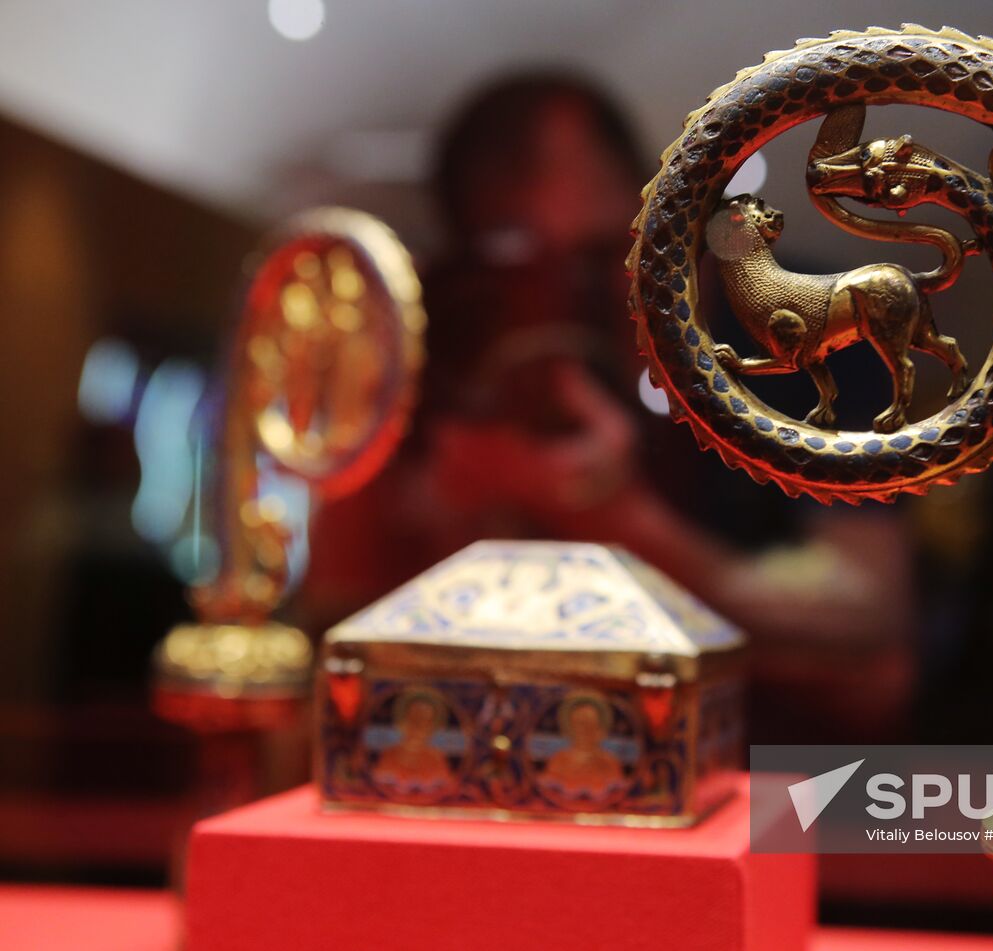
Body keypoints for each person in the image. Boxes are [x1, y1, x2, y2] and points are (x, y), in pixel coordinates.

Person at [302, 74, 920, 744]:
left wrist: (619, 523)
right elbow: (333, 629)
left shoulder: (809, 325)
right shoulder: (447, 360)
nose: (568, 299)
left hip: (780, 791)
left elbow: (872, 645)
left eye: (600, 255)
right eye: (521, 271)